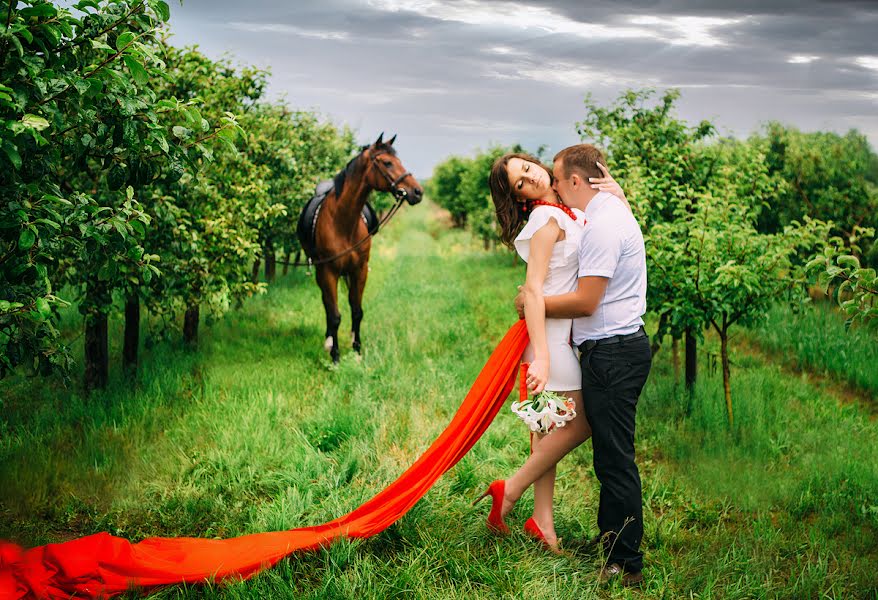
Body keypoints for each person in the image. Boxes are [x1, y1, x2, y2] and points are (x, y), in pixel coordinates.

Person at [474, 152, 624, 554]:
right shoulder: (544, 220)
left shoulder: (563, 210)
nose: (530, 179)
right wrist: (540, 356)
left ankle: (542, 523)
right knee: (583, 421)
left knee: (545, 430)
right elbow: (535, 289)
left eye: (526, 168)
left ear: (534, 162)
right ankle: (509, 490)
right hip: (551, 338)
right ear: (519, 198)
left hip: (563, 335)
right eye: (519, 184)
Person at [516, 144, 651, 587]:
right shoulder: (606, 211)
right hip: (612, 348)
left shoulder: (601, 227)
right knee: (607, 451)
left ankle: (624, 562)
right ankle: (611, 538)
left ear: (576, 182)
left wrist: (531, 303)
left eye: (556, 178)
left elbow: (588, 301)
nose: (552, 186)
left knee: (614, 458)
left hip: (612, 351)